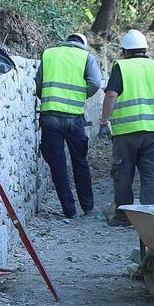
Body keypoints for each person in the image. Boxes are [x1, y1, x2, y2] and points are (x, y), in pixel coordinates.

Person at [98, 28, 154, 223]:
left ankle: (123, 216)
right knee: (151, 173)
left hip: (126, 133)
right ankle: (150, 217)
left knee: (123, 173)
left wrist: (104, 121)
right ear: (145, 49)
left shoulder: (122, 67)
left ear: (124, 51)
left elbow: (111, 94)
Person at [37, 29, 105, 218]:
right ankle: (88, 207)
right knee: (80, 161)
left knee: (57, 163)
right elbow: (95, 83)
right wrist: (79, 96)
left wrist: (48, 99)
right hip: (74, 118)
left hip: (49, 116)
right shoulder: (86, 57)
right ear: (82, 44)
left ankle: (69, 210)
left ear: (66, 42)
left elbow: (38, 83)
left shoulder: (49, 54)